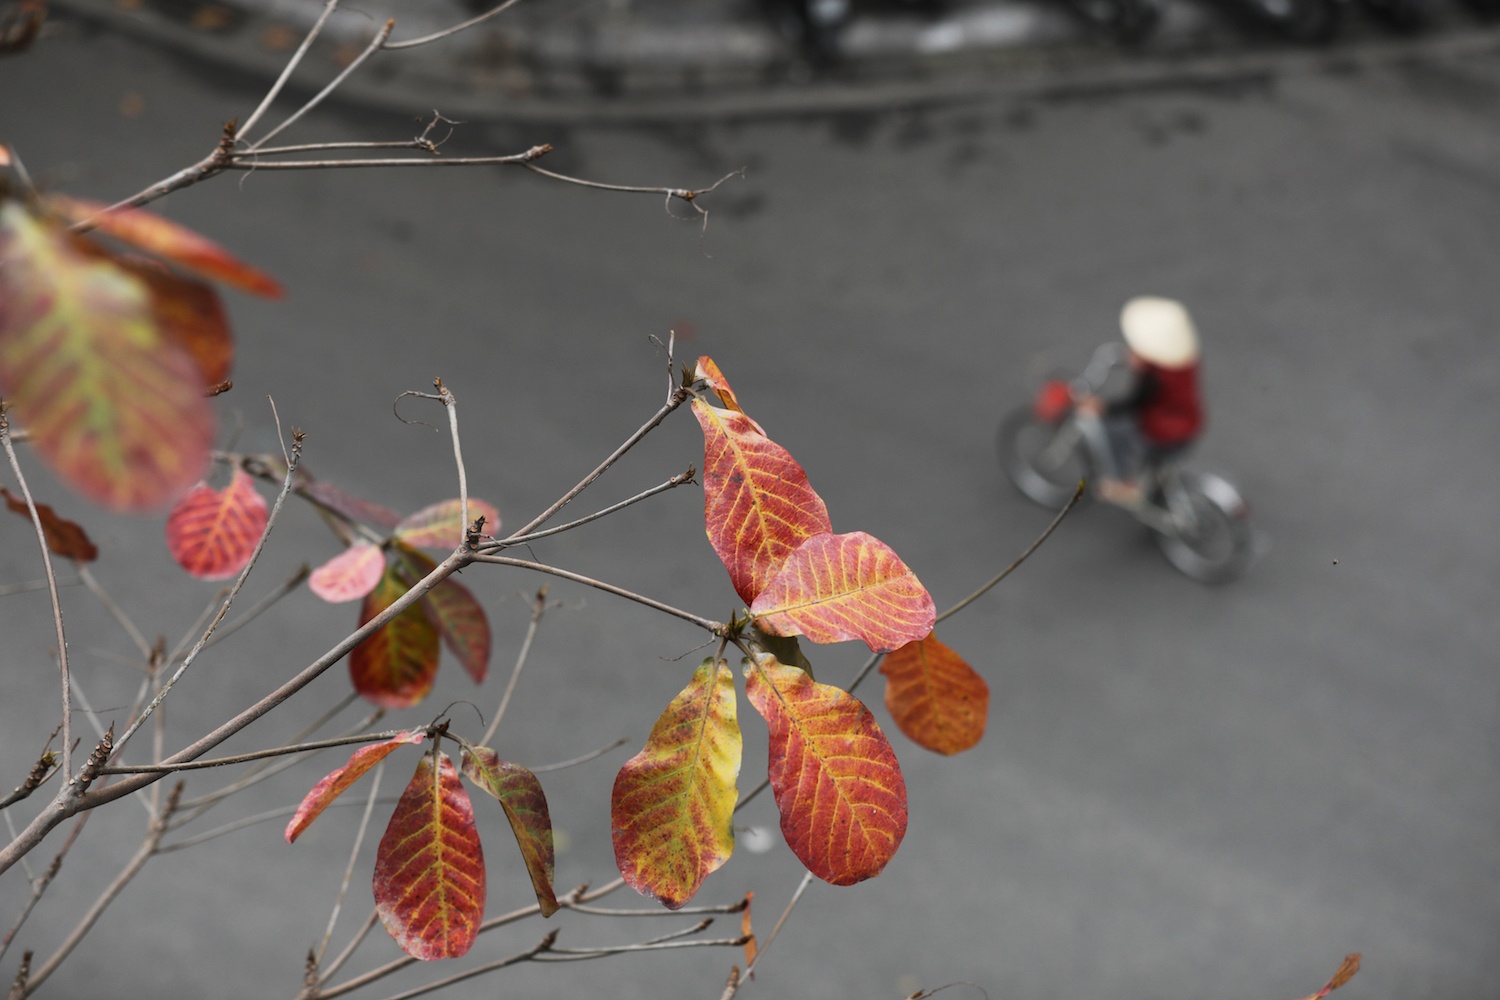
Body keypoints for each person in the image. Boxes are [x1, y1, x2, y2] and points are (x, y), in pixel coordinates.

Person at [1076, 296, 1205, 506]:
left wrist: (1103, 408)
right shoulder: (1183, 360)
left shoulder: (1154, 377)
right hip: (1188, 424)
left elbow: (1135, 403)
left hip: (1165, 434)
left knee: (1115, 432)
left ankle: (1123, 484)